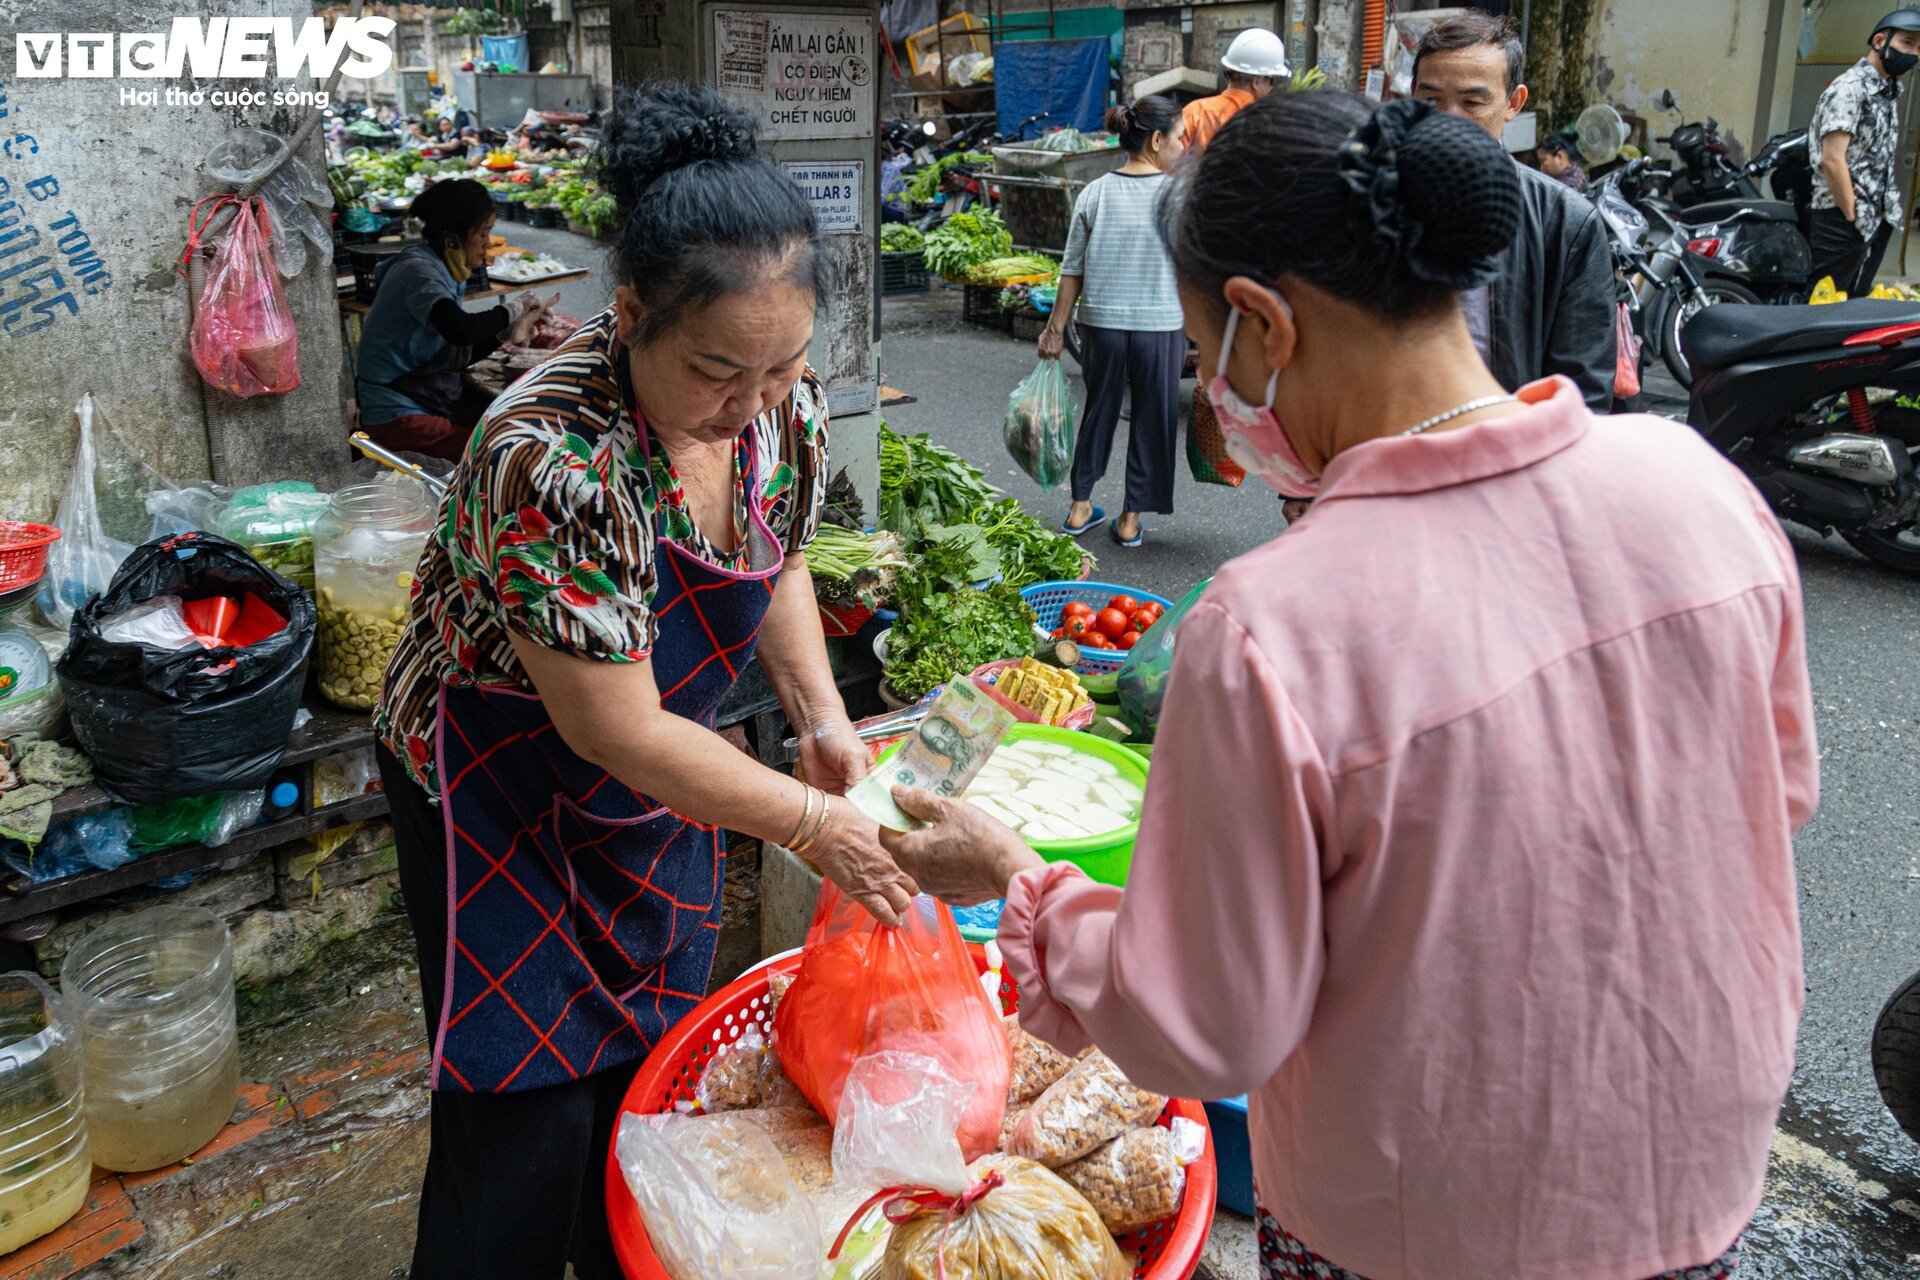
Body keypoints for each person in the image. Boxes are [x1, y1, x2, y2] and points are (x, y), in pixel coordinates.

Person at [883, 93, 1814, 1280]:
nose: (1210, 396)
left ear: (1263, 325)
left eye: (1200, 345)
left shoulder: (1277, 622)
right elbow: (1769, 803)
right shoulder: (1696, 483)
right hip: (1696, 1175)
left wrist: (1021, 881)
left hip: (1424, 1223)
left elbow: (1203, 1020)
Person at [371, 82, 915, 1280]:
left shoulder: (779, 406)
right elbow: (612, 721)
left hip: (658, 769)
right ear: (628, 317)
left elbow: (770, 557)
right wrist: (813, 822)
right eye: (720, 371)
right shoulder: (551, 456)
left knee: (653, 1072)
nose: (752, 405)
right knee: (523, 1116)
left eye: (783, 367)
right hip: (494, 782)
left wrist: (821, 718)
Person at [1412, 11, 1615, 411]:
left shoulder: (1567, 222)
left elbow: (1582, 389)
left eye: (1472, 102)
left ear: (1513, 103)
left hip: (1509, 451)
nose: (1449, 119)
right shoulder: (1372, 202)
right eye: (1431, 100)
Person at [1044, 97, 1188, 548]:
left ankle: (1079, 506)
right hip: (1161, 327)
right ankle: (1129, 520)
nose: (1183, 146)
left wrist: (1053, 328)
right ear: (1157, 139)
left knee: (1098, 411)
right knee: (1153, 419)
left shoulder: (1095, 192)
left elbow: (1072, 269)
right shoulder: (1177, 196)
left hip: (1101, 329)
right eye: (1180, 137)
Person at [354, 180, 556, 463]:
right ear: (452, 239)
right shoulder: (419, 271)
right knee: (504, 454)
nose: (488, 243)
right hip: (396, 414)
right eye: (483, 232)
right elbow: (461, 329)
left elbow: (456, 351)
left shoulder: (441, 268)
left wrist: (507, 332)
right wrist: (514, 308)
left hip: (418, 395)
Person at [1806, 9, 1920, 298]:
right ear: (1880, 41)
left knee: (1853, 303)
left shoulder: (1887, 91)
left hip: (1876, 216)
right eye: (1908, 43)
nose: (1914, 54)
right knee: (1824, 304)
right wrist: (1851, 213)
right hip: (1841, 219)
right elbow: (1832, 159)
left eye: (1919, 48)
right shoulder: (1849, 89)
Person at [1182, 27, 1289, 155]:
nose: (1271, 87)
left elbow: (1171, 162)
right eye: (1271, 80)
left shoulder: (1194, 112)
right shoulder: (1268, 120)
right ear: (1256, 82)